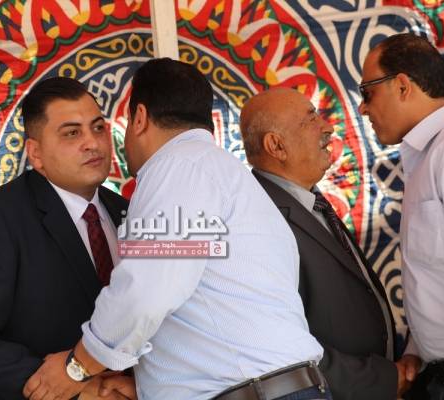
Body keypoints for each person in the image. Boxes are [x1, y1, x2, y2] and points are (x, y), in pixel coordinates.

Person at [22, 58, 331, 400]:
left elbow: (144, 292)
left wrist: (78, 366)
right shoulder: (218, 171)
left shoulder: (177, 168)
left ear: (140, 118)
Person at [0, 77, 131, 399]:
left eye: (97, 128)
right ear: (35, 153)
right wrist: (76, 386)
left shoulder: (130, 213)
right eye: (72, 133)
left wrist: (135, 383)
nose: (92, 143)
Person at [239, 86, 416, 399]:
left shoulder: (308, 200)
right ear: (276, 146)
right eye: (310, 119)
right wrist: (380, 380)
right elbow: (281, 341)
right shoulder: (259, 219)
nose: (328, 128)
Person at [359, 33, 444, 399]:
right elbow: (440, 276)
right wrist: (418, 349)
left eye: (368, 92)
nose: (362, 109)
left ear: (403, 86)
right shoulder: (430, 154)